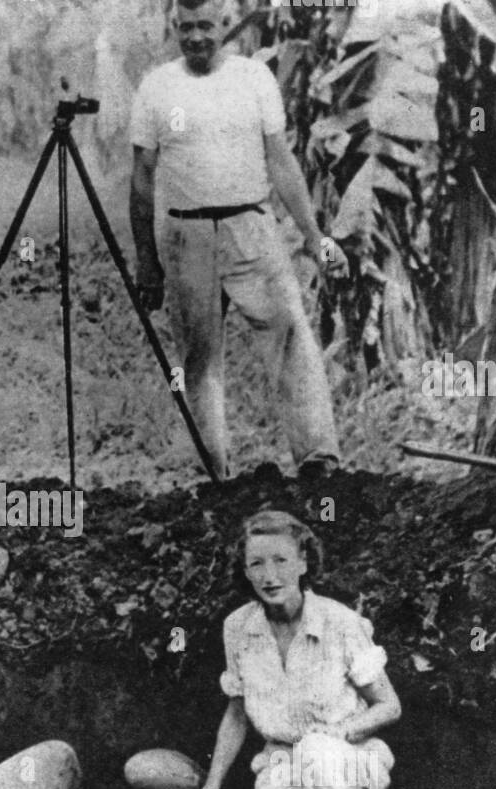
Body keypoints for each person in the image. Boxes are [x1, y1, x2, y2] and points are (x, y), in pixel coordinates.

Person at [129, 0, 348, 482]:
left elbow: (281, 161)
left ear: (226, 25)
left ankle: (318, 459)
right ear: (174, 28)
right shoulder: (157, 86)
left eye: (206, 26)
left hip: (251, 226)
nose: (196, 38)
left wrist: (314, 237)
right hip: (186, 235)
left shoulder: (253, 78)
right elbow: (142, 179)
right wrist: (147, 258)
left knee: (290, 333)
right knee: (198, 358)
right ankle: (214, 474)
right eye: (186, 28)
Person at [179, 510, 401, 789]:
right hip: (283, 762)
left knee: (318, 752)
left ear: (303, 561)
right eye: (257, 563)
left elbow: (390, 705)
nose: (270, 575)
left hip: (352, 761)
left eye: (281, 560)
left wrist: (338, 731)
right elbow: (237, 714)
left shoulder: (340, 623)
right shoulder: (238, 628)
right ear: (244, 571)